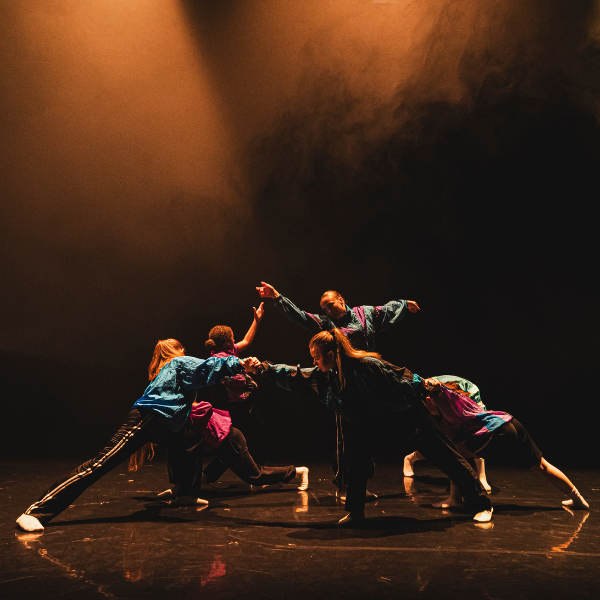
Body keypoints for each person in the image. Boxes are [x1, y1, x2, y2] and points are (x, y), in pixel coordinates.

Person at [16, 339, 257, 533]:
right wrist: (240, 365)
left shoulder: (168, 371)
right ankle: (35, 511)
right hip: (148, 419)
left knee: (191, 439)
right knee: (99, 465)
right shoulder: (179, 362)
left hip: (168, 426)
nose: (187, 351)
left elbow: (207, 375)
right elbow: (208, 368)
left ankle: (185, 494)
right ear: (178, 350)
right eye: (183, 348)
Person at [258, 329, 493, 525]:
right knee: (357, 460)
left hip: (407, 415)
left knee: (446, 457)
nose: (314, 362)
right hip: (374, 422)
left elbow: (401, 376)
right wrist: (264, 369)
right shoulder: (327, 376)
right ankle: (355, 512)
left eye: (317, 357)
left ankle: (483, 504)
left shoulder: (367, 365)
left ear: (331, 355)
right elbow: (297, 375)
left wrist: (424, 385)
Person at [256, 281, 419, 496]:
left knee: (367, 436)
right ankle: (345, 485)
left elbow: (386, 310)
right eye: (324, 309)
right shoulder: (326, 323)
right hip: (345, 387)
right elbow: (301, 316)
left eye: (330, 305)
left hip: (370, 384)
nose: (328, 311)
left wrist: (404, 304)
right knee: (347, 437)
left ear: (341, 300)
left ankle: (359, 485)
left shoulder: (365, 315)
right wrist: (277, 298)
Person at [419, 377, 589, 510]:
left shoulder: (444, 401)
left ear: (430, 398)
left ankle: (455, 500)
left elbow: (439, 390)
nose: (425, 407)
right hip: (510, 423)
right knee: (541, 466)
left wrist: (434, 387)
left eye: (425, 403)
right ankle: (578, 499)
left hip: (497, 433)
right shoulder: (460, 402)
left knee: (454, 455)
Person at [186, 386, 309, 490]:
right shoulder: (188, 409)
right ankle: (201, 480)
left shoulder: (194, 411)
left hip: (231, 440)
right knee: (221, 461)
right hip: (222, 442)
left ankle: (297, 471)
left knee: (256, 476)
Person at [403, 375, 492, 492]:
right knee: (440, 446)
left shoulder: (469, 401)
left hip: (458, 397)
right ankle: (411, 458)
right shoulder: (428, 398)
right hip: (437, 393)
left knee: (475, 437)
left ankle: (481, 477)